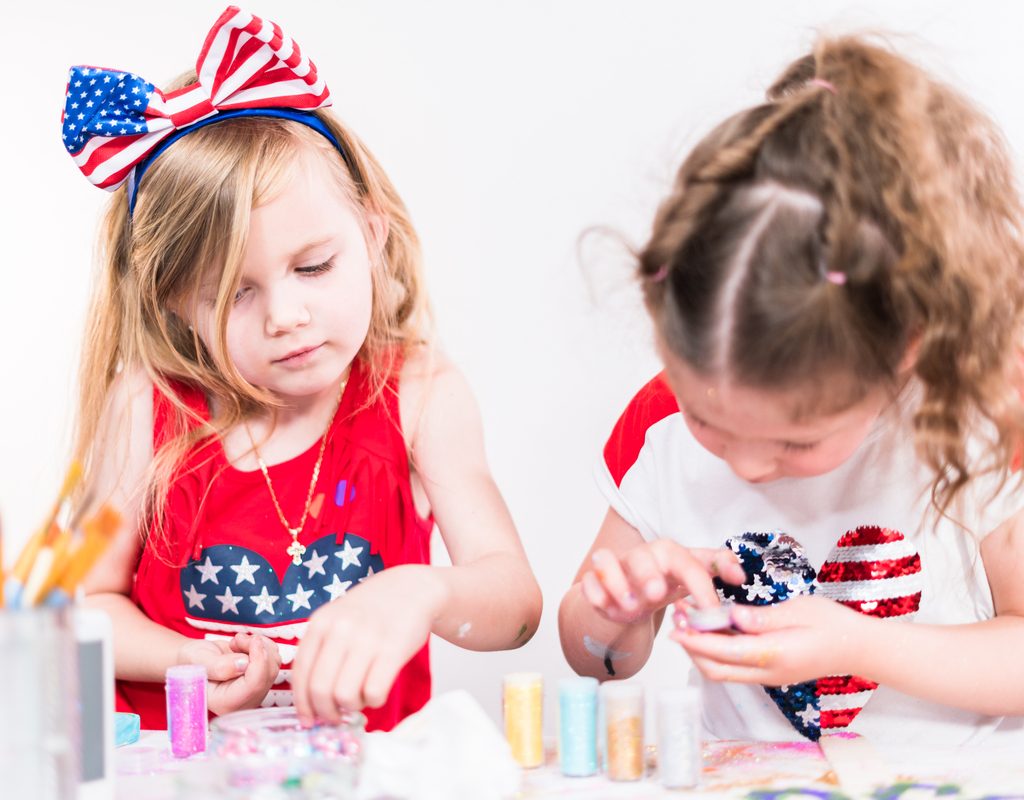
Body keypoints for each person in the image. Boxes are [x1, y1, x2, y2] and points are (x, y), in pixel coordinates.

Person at [66, 6, 541, 732]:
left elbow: (515, 609)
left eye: (314, 266)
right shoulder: (148, 406)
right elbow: (81, 608)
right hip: (184, 776)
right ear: (174, 304)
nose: (285, 315)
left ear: (372, 235)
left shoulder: (419, 394)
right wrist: (188, 660)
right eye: (234, 294)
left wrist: (424, 592)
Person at [559, 36, 1024, 745]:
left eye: (797, 439)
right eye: (708, 419)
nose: (744, 465)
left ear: (905, 350)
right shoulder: (661, 432)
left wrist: (861, 646)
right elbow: (600, 663)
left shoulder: (966, 426)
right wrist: (618, 606)